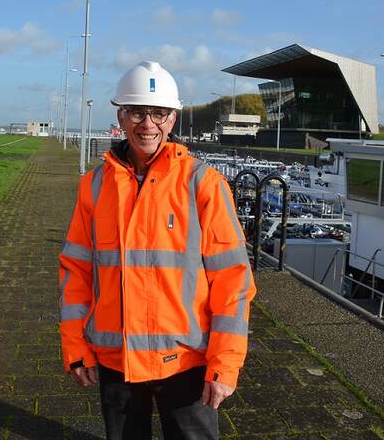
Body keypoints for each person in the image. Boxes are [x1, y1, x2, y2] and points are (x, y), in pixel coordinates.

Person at [59, 61, 256, 440]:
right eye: (137, 112)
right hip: (117, 364)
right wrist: (75, 345)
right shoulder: (94, 186)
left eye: (158, 113)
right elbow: (76, 273)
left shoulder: (204, 185)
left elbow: (233, 281)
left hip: (187, 365)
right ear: (121, 115)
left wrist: (225, 365)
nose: (147, 124)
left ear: (173, 119)